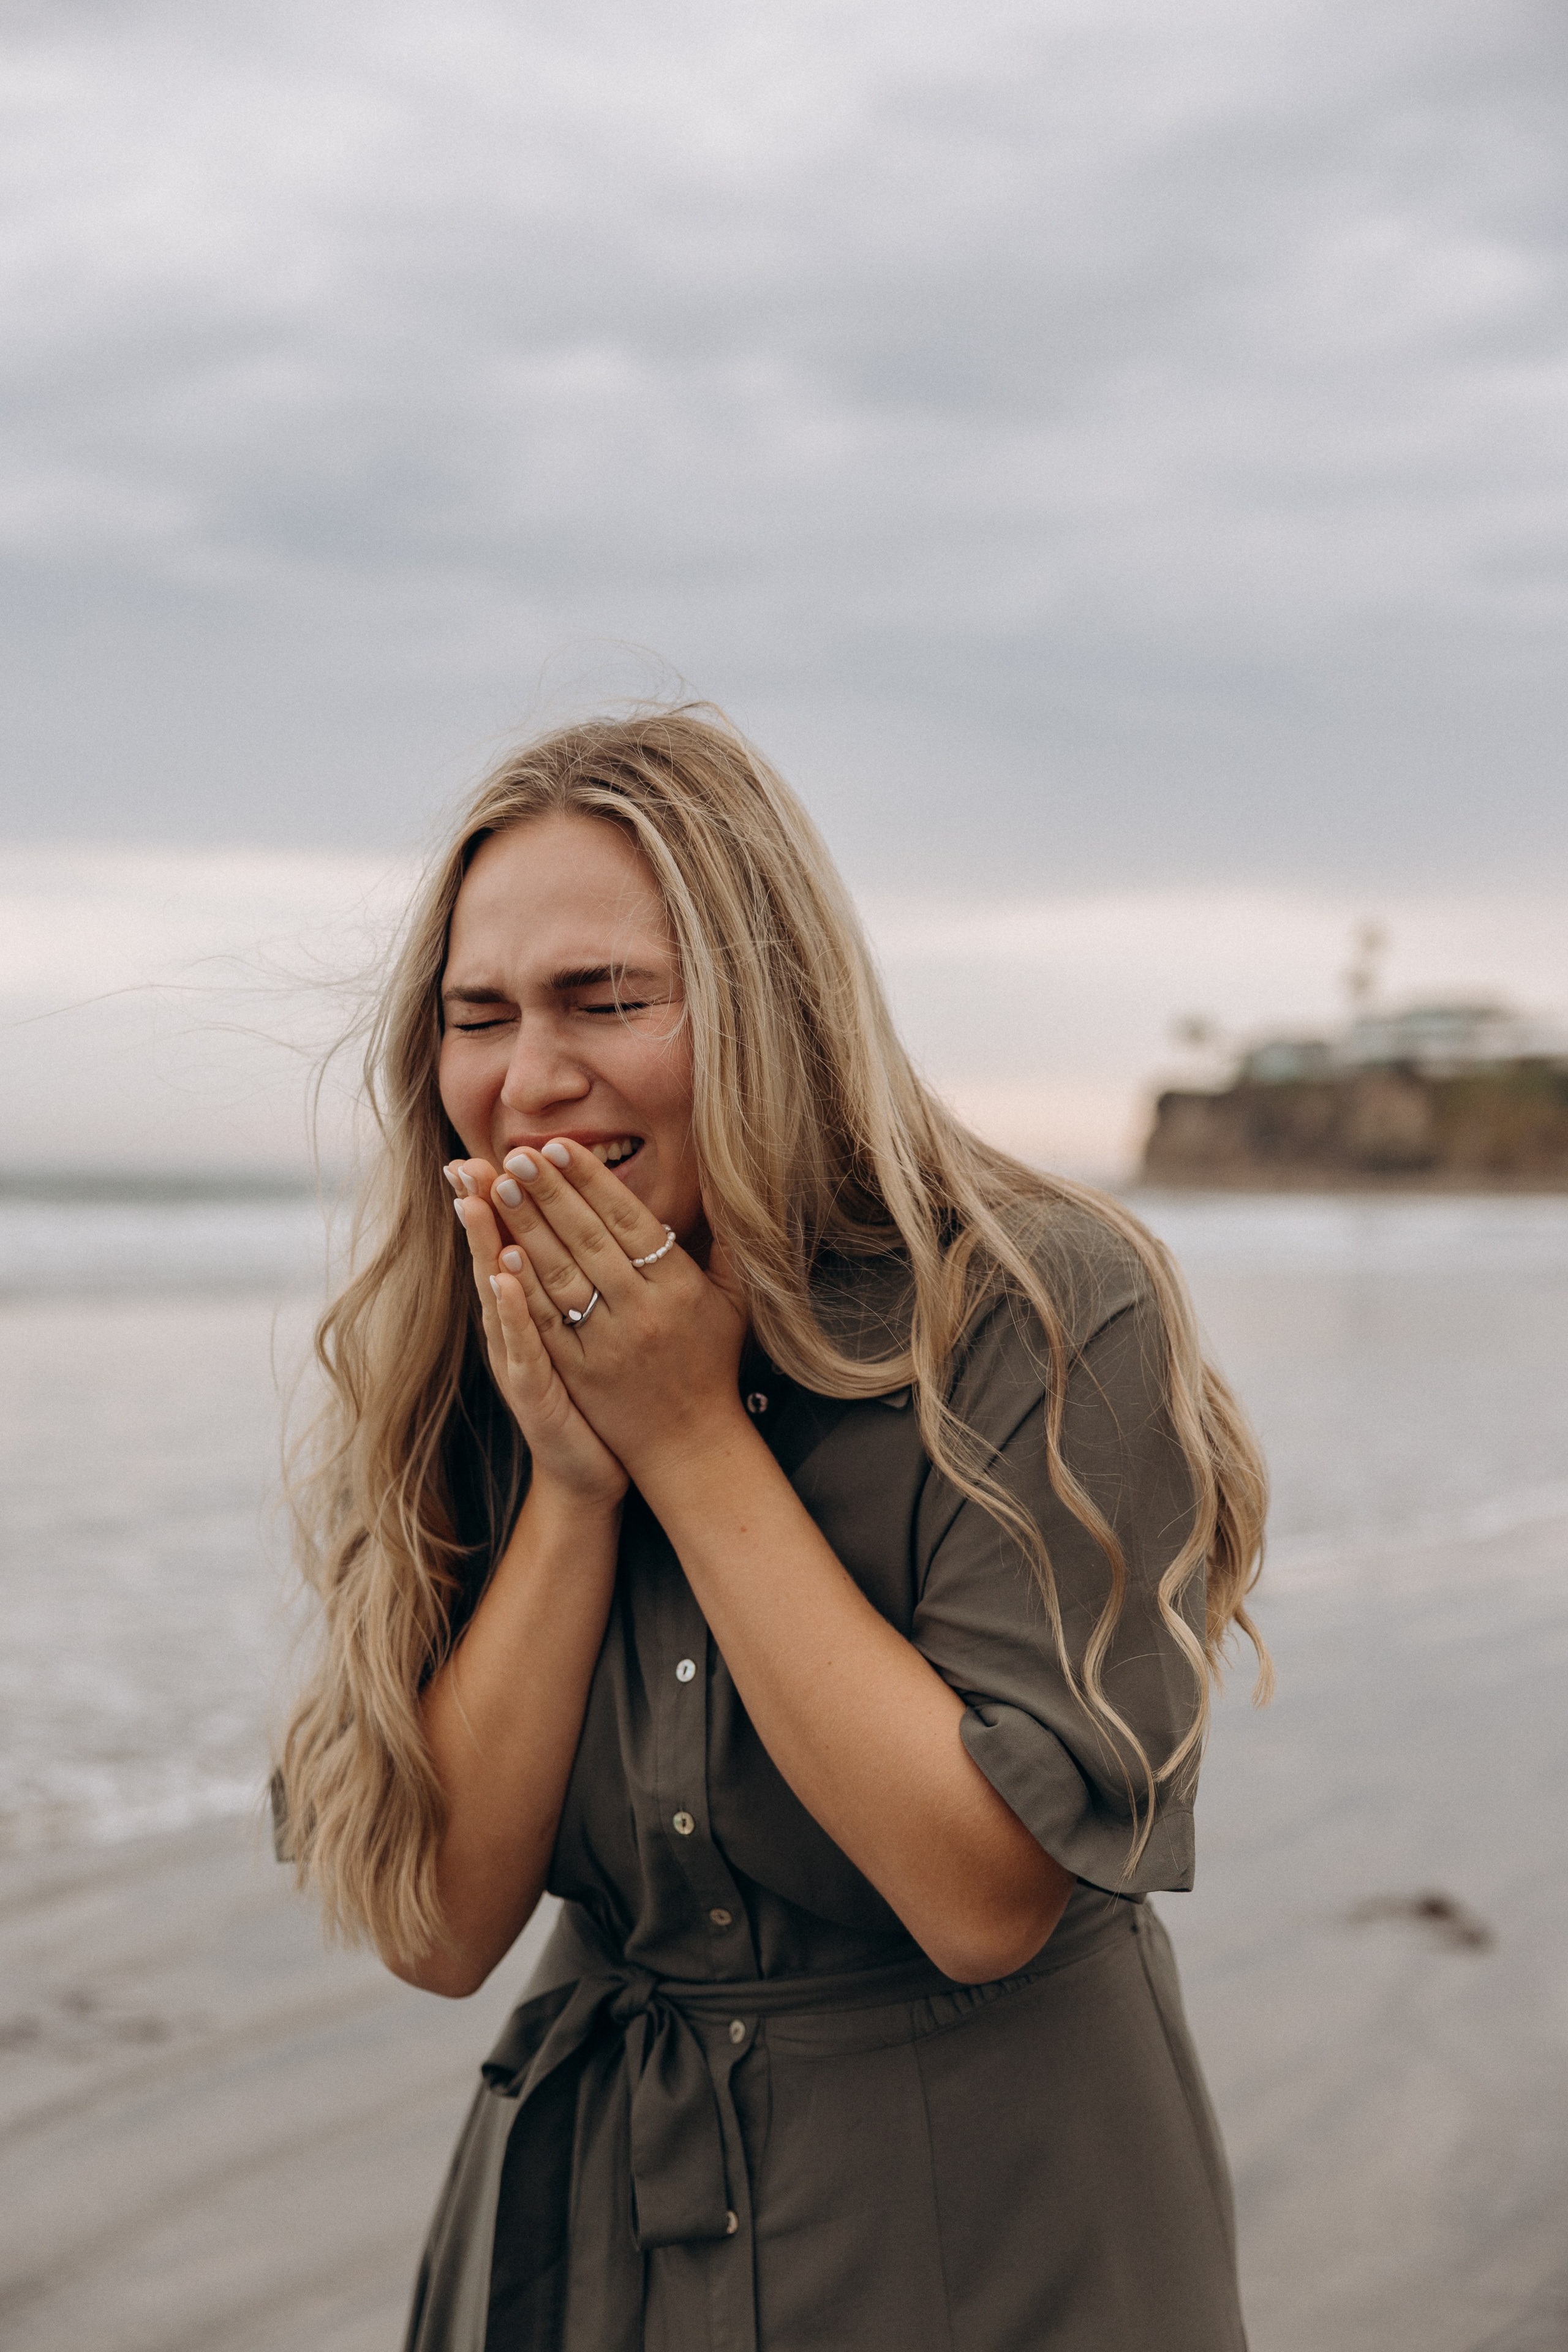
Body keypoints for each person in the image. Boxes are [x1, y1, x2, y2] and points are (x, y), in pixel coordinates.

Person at [276, 705, 1272, 2352]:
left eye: (609, 1002)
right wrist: (578, 1492)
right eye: (480, 1016)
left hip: (989, 2225)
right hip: (593, 2237)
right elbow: (442, 1925)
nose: (531, 1081)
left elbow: (986, 1899)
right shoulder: (464, 1351)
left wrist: (687, 1440)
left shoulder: (1036, 1304)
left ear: (773, 1010)